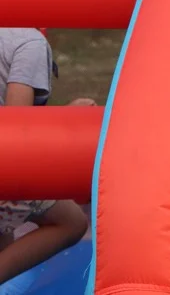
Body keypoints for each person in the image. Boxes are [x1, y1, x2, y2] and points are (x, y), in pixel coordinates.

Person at [0, 28, 91, 283]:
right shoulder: (29, 41)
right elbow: (16, 126)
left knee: (6, 234)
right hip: (5, 162)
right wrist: (67, 117)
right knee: (71, 222)